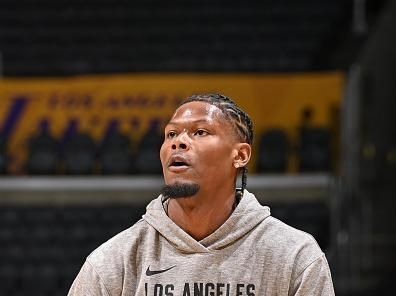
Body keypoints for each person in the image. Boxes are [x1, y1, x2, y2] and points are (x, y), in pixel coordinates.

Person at [68, 93, 335, 295]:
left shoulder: (294, 256)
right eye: (171, 133)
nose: (178, 141)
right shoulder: (113, 262)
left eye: (200, 132)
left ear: (240, 155)